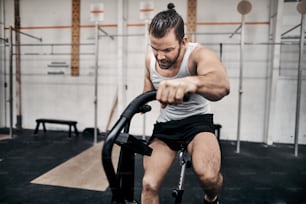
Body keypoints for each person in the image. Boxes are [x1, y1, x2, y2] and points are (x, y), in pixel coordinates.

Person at [141, 3, 230, 204]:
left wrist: (190, 82)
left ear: (183, 41)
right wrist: (141, 104)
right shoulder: (150, 61)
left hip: (197, 123)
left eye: (168, 49)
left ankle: (212, 197)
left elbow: (222, 85)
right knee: (148, 184)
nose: (160, 56)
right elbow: (147, 93)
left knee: (208, 176)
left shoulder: (197, 54)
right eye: (155, 48)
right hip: (166, 127)